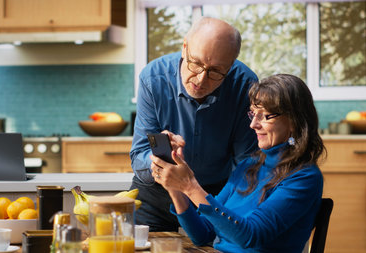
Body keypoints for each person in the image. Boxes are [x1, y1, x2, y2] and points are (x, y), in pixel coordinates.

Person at [151, 74, 325, 253]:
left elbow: (250, 236)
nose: (253, 124)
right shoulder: (249, 165)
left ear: (294, 121)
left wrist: (190, 186)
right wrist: (175, 188)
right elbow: (202, 234)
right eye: (252, 113)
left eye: (265, 115)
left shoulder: (304, 177)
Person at [130, 17, 259, 232]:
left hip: (216, 195)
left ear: (231, 65)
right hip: (156, 194)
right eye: (196, 63)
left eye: (216, 71)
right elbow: (138, 155)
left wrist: (226, 208)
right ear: (184, 48)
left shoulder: (245, 85)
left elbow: (246, 165)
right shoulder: (152, 78)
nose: (200, 79)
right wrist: (157, 160)